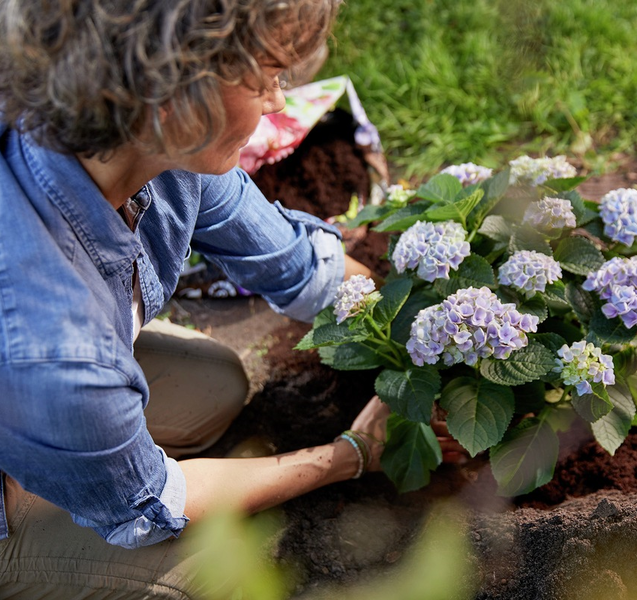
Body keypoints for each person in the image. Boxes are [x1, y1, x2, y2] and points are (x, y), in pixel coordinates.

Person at [0, 1, 462, 597]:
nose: (278, 101)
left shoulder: (153, 152)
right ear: (174, 97)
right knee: (205, 574)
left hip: (37, 388)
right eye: (265, 77)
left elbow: (302, 269)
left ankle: (57, 457)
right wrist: (351, 452)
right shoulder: (55, 339)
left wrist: (432, 336)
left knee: (213, 384)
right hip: (36, 390)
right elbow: (152, 506)